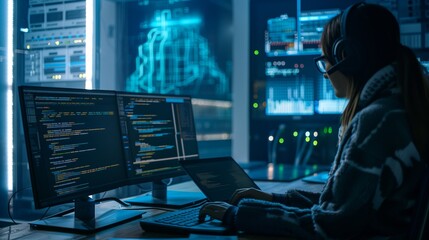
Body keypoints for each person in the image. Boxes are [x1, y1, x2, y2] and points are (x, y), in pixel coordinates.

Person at [199, 2, 429, 239]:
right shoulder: (399, 108)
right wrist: (274, 198)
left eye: (325, 58)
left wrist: (237, 215)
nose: (326, 70)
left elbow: (328, 226)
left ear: (346, 56)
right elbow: (344, 204)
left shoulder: (376, 122)